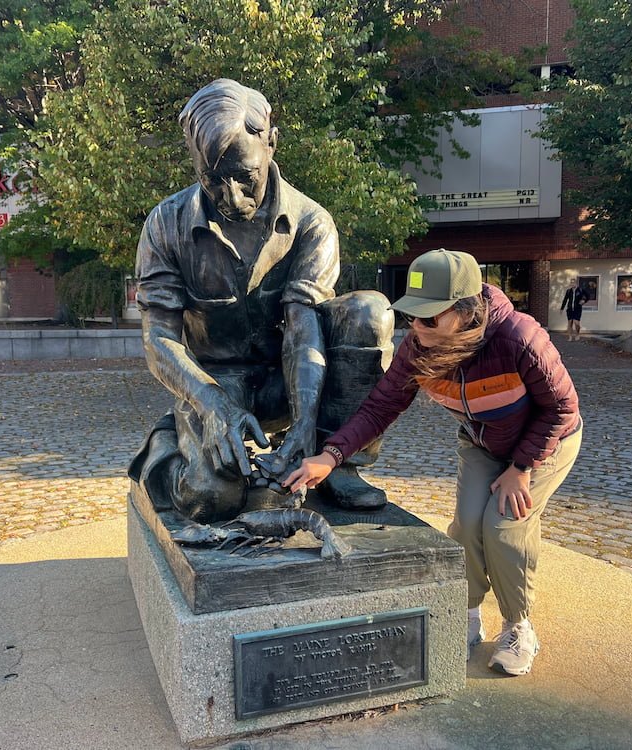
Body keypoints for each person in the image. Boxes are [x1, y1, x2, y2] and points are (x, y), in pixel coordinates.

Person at [284, 249, 582, 676]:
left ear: (464, 310)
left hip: (544, 444)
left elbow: (562, 409)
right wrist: (331, 456)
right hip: (483, 442)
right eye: (412, 317)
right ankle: (467, 614)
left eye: (429, 318)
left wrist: (521, 469)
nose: (417, 328)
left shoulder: (518, 338)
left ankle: (518, 625)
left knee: (502, 527)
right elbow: (380, 407)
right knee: (464, 527)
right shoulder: (418, 348)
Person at [129, 79, 393, 523]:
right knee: (211, 500)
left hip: (288, 381)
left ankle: (339, 461)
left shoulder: (312, 223)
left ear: (271, 142)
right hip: (215, 382)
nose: (231, 197)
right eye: (212, 180)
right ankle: (168, 442)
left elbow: (302, 327)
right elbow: (158, 339)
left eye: (244, 177)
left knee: (369, 312)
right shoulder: (165, 225)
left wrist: (307, 424)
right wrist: (208, 404)